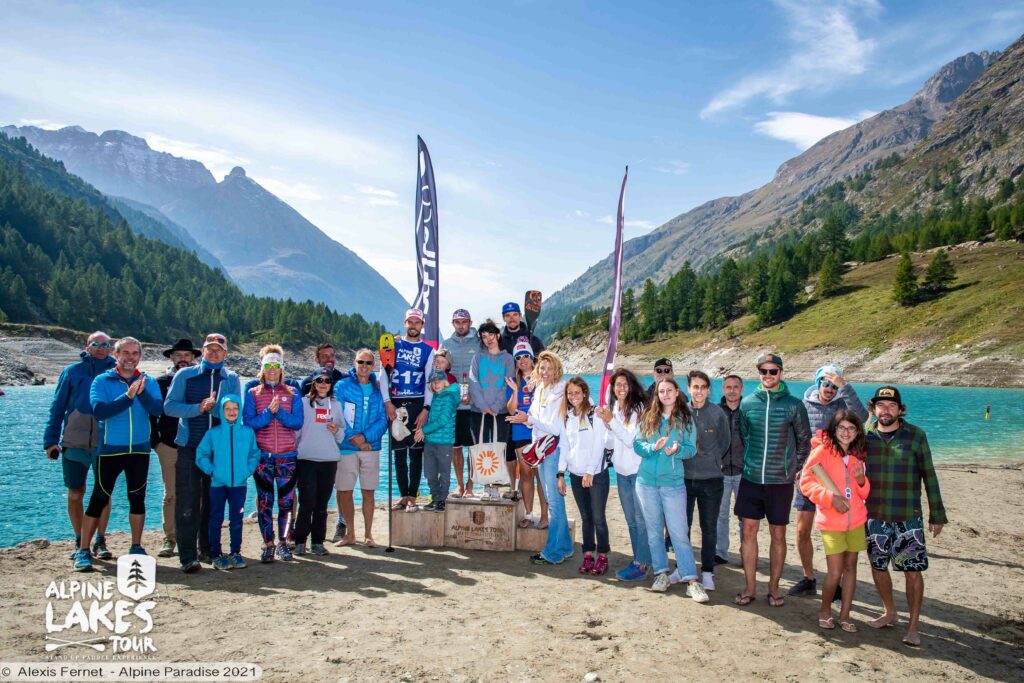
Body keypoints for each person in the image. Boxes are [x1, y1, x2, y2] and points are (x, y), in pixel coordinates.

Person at [864, 386, 947, 647]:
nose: (886, 410)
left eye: (891, 406)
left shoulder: (915, 435)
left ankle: (913, 626)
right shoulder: (865, 437)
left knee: (912, 571)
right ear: (873, 409)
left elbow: (929, 475)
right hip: (874, 516)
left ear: (900, 409)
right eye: (881, 405)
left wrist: (937, 514)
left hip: (908, 517)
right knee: (878, 568)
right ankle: (889, 611)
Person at [73, 337, 163, 571]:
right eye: (125, 353)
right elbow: (100, 412)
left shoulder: (149, 381)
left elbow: (157, 410)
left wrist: (141, 393)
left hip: (139, 450)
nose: (130, 358)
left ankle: (136, 546)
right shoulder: (102, 381)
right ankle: (83, 550)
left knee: (137, 499)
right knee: (99, 498)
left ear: (140, 356)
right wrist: (128, 397)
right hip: (110, 451)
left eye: (135, 353)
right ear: (116, 355)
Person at [734, 352, 811, 607]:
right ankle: (750, 588)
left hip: (780, 482)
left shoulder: (794, 405)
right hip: (751, 479)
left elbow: (804, 441)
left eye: (773, 371)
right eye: (763, 371)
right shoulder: (747, 404)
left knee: (778, 534)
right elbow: (745, 436)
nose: (768, 375)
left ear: (781, 373)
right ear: (759, 373)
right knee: (748, 531)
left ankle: (774, 588)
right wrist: (751, 463)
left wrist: (793, 468)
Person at [164, 332, 241, 573]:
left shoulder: (231, 378)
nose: (214, 352)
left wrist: (216, 409)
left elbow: (234, 414)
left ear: (225, 354)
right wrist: (198, 408)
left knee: (212, 502)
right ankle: (188, 556)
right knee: (187, 501)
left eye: (219, 349)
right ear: (203, 351)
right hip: (189, 447)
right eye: (210, 348)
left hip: (218, 450)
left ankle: (207, 549)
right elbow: (169, 407)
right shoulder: (185, 375)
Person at [791, 364, 868, 598]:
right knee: (802, 529)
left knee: (837, 532)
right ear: (818, 384)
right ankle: (808, 577)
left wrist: (845, 387)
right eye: (826, 384)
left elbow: (863, 417)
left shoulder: (843, 405)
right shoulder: (804, 405)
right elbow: (794, 437)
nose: (830, 389)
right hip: (809, 476)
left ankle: (836, 583)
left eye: (834, 386)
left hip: (838, 479)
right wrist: (797, 468)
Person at [631, 377, 709, 602]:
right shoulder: (649, 416)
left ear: (677, 392)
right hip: (646, 483)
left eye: (669, 390)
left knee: (678, 533)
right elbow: (637, 444)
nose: (665, 394)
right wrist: (651, 448)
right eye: (661, 391)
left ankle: (691, 580)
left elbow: (691, 449)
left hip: (673, 484)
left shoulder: (685, 419)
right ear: (657, 394)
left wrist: (677, 450)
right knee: (654, 532)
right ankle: (661, 574)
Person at [44, 331, 115, 562]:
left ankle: (100, 540)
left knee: (104, 493)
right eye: (96, 344)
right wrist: (50, 441)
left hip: (106, 443)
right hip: (74, 441)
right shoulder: (72, 372)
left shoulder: (116, 372)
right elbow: (57, 407)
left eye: (106, 344)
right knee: (76, 493)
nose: (101, 348)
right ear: (87, 347)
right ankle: (79, 538)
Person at [799, 410, 870, 633]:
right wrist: (830, 498)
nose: (846, 432)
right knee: (835, 571)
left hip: (856, 520)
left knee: (851, 568)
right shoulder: (822, 451)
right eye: (841, 428)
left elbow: (863, 492)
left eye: (851, 428)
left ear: (857, 432)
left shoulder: (858, 454)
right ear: (834, 429)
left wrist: (861, 481)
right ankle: (824, 612)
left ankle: (845, 615)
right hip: (832, 522)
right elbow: (806, 483)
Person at [508, 350, 571, 566]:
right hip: (541, 449)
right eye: (542, 368)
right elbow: (534, 419)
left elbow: (555, 428)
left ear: (557, 369)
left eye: (549, 368)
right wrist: (524, 419)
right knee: (555, 501)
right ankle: (565, 547)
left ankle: (553, 552)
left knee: (553, 502)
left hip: (553, 450)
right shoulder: (541, 388)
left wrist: (530, 419)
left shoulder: (560, 390)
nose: (544, 372)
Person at [243, 345, 304, 563]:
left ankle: (283, 543)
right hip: (263, 458)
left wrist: (280, 414)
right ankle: (268, 544)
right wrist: (269, 413)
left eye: (275, 366)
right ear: (262, 368)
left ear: (281, 369)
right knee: (265, 502)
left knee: (286, 503)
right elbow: (249, 423)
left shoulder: (292, 392)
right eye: (267, 366)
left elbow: (297, 422)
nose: (271, 370)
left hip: (287, 457)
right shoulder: (253, 393)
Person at [596, 368, 650, 582]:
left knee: (641, 519)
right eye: (617, 384)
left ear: (632, 386)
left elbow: (631, 441)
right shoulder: (615, 408)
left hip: (638, 472)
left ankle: (641, 564)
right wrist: (607, 425)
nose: (621, 388)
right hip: (621, 472)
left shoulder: (640, 408)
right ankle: (639, 559)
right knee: (631, 520)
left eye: (625, 384)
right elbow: (611, 443)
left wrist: (612, 422)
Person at [195, 394, 259, 571]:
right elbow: (201, 455)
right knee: (216, 518)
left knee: (237, 519)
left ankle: (235, 552)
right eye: (228, 408)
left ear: (240, 410)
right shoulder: (214, 433)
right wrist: (212, 471)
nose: (232, 412)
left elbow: (254, 454)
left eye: (235, 408)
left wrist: (247, 470)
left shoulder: (247, 432)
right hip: (218, 484)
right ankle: (216, 554)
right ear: (222, 411)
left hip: (239, 484)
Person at [150, 338, 201, 558]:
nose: (183, 359)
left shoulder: (200, 380)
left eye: (187, 355)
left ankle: (194, 538)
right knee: (171, 493)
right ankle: (170, 537)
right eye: (178, 355)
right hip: (169, 446)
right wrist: (156, 442)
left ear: (193, 357)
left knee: (198, 493)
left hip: (197, 444)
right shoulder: (161, 382)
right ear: (171, 357)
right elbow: (152, 413)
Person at [556, 377, 611, 575]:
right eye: (570, 393)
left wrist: (590, 470)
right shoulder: (567, 417)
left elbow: (599, 444)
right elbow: (564, 446)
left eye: (577, 392)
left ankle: (602, 556)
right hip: (575, 475)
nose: (573, 396)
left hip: (596, 474)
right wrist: (560, 473)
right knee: (586, 517)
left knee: (598, 517)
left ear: (585, 393)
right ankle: (588, 555)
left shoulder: (594, 414)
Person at [381, 308, 435, 512]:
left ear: (422, 325)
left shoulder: (428, 350)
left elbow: (430, 381)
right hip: (395, 404)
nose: (413, 326)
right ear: (405, 323)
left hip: (417, 404)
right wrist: (387, 402)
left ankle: (413, 495)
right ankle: (403, 495)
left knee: (415, 453)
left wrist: (426, 409)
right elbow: (383, 375)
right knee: (399, 453)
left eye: (417, 322)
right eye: (410, 322)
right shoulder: (393, 345)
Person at [334, 349, 387, 547]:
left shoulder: (379, 389)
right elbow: (338, 414)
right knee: (345, 491)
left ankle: (368, 535)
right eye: (360, 362)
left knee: (368, 492)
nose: (364, 366)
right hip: (346, 447)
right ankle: (350, 534)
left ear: (373, 366)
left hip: (370, 447)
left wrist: (365, 437)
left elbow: (383, 419)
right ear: (354, 363)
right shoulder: (342, 386)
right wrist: (355, 439)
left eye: (368, 363)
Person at [685, 370, 730, 591]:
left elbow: (725, 442)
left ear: (708, 390)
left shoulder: (717, 413)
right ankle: (684, 568)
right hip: (684, 479)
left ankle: (707, 572)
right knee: (682, 527)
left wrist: (712, 460)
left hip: (711, 480)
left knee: (708, 528)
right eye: (695, 387)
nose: (699, 391)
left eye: (703, 387)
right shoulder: (681, 411)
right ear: (689, 388)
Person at [294, 367, 346, 556]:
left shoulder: (336, 405)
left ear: (331, 384)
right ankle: (300, 541)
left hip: (328, 460)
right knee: (306, 503)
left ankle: (317, 542)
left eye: (327, 381)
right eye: (319, 380)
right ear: (313, 383)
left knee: (321, 505)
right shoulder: (302, 403)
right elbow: (296, 432)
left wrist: (336, 430)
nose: (323, 384)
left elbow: (342, 434)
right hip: (306, 459)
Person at [469, 320, 514, 497]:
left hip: (500, 412)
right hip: (478, 411)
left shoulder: (508, 359)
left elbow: (508, 384)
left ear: (498, 335)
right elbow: (473, 382)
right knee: (480, 449)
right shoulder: (477, 358)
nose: (488, 339)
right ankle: (484, 486)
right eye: (484, 336)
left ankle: (495, 486)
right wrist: (483, 406)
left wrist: (495, 407)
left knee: (498, 449)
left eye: (491, 335)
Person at [505, 342, 547, 528]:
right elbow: (511, 409)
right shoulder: (513, 380)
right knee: (526, 473)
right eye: (518, 357)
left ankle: (544, 515)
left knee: (541, 474)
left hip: (539, 431)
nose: (522, 360)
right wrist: (515, 391)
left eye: (526, 356)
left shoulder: (542, 378)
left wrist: (528, 417)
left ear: (532, 358)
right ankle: (529, 514)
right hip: (520, 431)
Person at [441, 308, 478, 498]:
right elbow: (440, 372)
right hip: (454, 406)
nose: (461, 325)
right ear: (453, 324)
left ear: (470, 323)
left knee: (473, 449)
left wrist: (475, 393)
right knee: (455, 448)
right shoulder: (446, 345)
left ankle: (471, 486)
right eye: (457, 322)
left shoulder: (479, 343)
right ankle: (460, 485)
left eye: (464, 322)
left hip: (474, 405)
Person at [415, 369, 460, 512]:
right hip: (430, 441)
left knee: (444, 472)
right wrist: (424, 431)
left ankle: (442, 500)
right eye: (433, 382)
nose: (436, 384)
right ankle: (435, 498)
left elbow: (443, 420)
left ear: (445, 382)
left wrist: (424, 430)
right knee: (430, 472)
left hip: (444, 442)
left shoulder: (449, 397)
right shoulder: (436, 396)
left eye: (439, 381)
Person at [715, 374, 745, 565]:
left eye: (735, 387)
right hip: (721, 472)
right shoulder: (716, 411)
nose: (732, 391)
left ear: (742, 389)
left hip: (744, 472)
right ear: (723, 389)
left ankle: (746, 553)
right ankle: (721, 552)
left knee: (745, 517)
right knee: (721, 515)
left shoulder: (748, 410)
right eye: (728, 387)